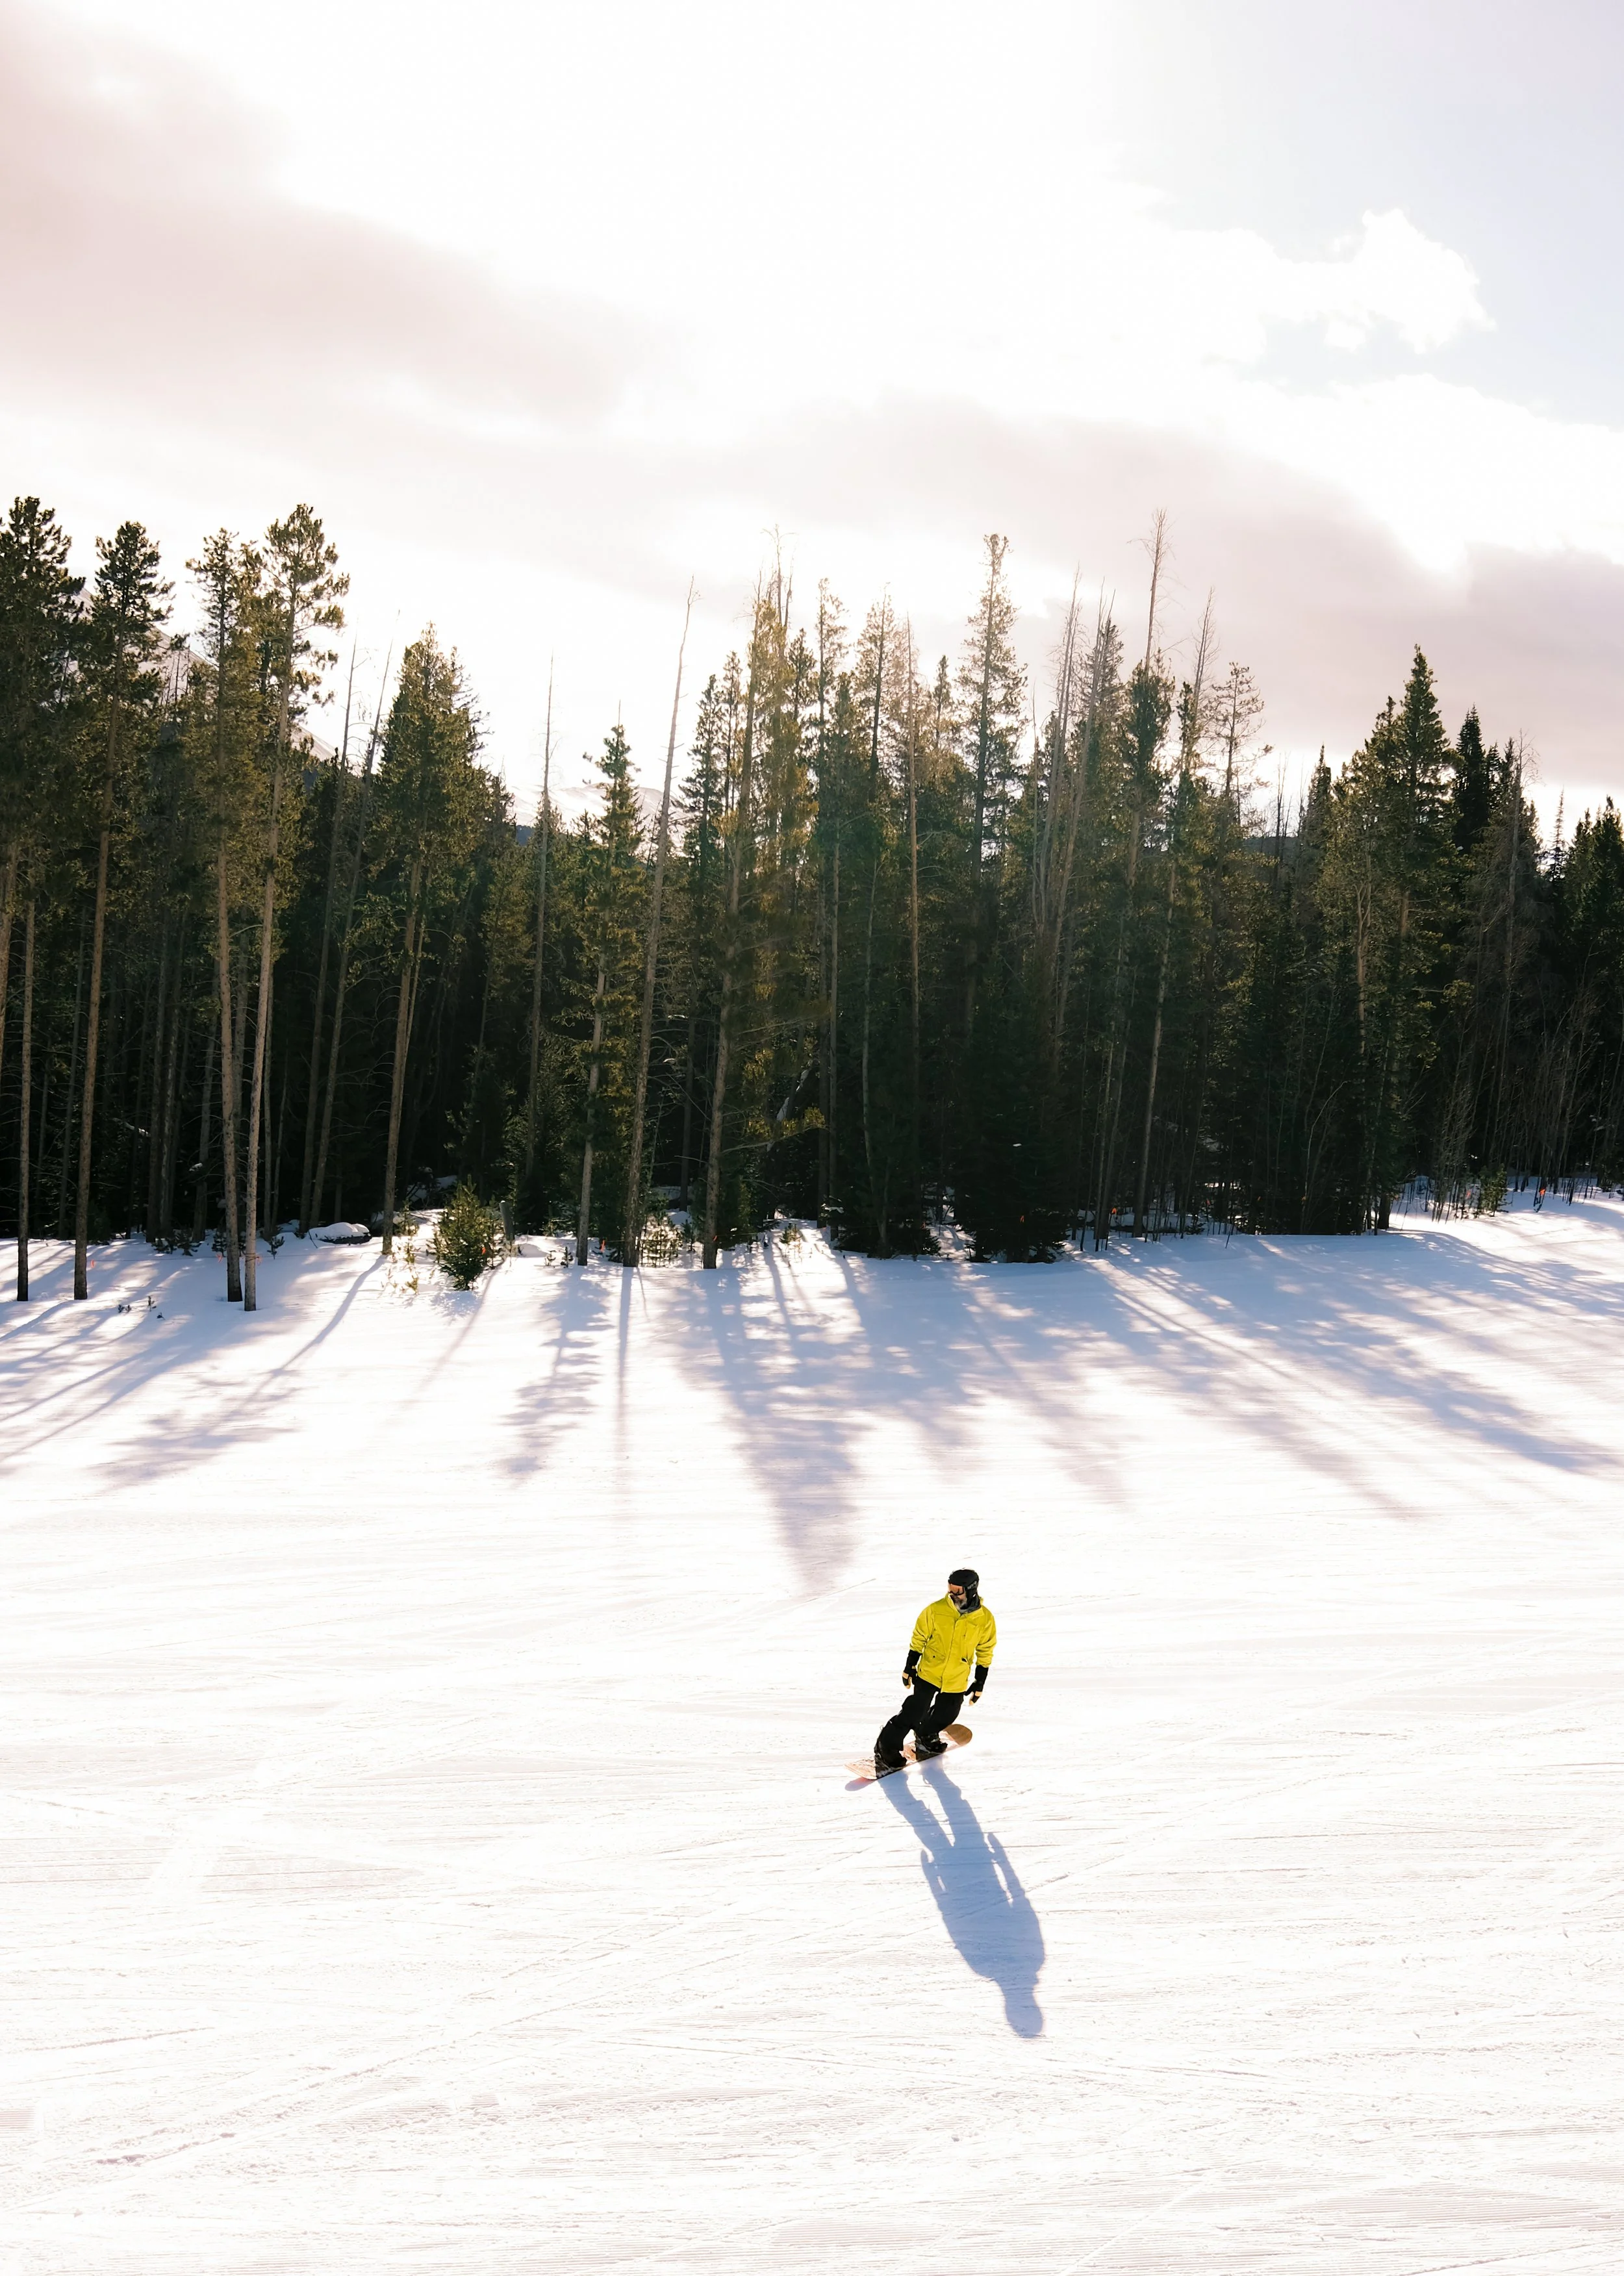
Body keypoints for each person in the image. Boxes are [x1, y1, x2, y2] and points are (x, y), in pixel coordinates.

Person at [874, 1568, 996, 1771]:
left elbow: (986, 1650)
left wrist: (980, 1681)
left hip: (957, 1676)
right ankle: (886, 1747)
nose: (952, 1594)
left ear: (971, 1590)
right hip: (930, 1670)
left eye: (958, 1590)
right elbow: (919, 1636)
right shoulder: (936, 1609)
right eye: (950, 1588)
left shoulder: (985, 1619)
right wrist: (910, 1665)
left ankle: (926, 1736)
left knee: (948, 1713)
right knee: (914, 1711)